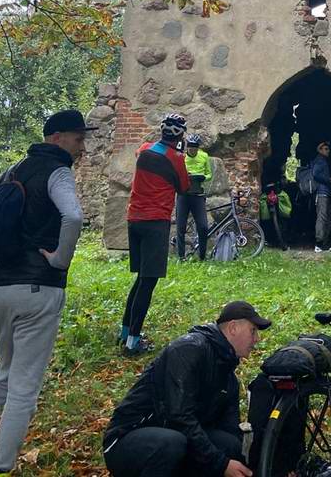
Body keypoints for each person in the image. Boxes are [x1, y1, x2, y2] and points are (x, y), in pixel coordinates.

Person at [0, 108, 91, 477]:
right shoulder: (58, 171)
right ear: (56, 138)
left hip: (4, 289)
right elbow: (73, 217)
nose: (82, 146)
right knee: (23, 388)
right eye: (77, 138)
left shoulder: (13, 171)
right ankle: (1, 470)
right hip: (40, 290)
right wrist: (59, 260)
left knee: (3, 374)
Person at [103, 300, 272, 477]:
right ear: (233, 328)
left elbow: (229, 430)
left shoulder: (228, 378)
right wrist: (221, 464)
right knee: (172, 443)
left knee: (229, 445)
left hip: (178, 437)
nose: (256, 339)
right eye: (253, 331)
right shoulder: (189, 350)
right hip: (127, 439)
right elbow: (178, 416)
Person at [120, 113, 190, 356]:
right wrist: (180, 150)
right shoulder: (176, 158)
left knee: (140, 278)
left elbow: (147, 151)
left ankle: (124, 331)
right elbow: (184, 187)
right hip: (155, 222)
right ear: (181, 134)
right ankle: (132, 342)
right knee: (148, 283)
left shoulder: (144, 149)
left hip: (134, 219)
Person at [175, 134, 212, 260]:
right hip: (183, 195)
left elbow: (209, 174)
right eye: (190, 146)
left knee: (203, 226)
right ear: (187, 147)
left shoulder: (204, 156)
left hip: (198, 195)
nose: (192, 149)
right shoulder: (182, 157)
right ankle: (181, 256)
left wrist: (203, 177)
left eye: (195, 147)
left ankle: (202, 256)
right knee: (181, 226)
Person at [312, 140, 331, 253]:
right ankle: (319, 243)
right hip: (321, 193)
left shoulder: (323, 161)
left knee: (329, 217)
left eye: (328, 149)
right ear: (320, 150)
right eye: (325, 149)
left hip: (325, 192)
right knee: (322, 217)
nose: (328, 151)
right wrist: (329, 179)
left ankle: (324, 242)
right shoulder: (320, 160)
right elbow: (315, 174)